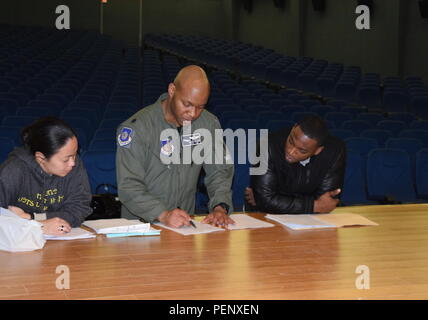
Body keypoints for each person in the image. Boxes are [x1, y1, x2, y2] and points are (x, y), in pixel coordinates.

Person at [116, 65, 234, 228]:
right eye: (187, 104)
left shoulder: (208, 124)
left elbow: (220, 171)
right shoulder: (138, 128)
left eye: (200, 107)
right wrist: (162, 214)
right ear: (172, 90)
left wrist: (220, 207)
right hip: (141, 225)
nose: (193, 114)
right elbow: (129, 185)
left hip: (184, 225)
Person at [0, 117, 92, 235]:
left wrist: (32, 218)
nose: (73, 163)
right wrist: (40, 227)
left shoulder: (74, 165)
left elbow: (79, 209)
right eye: (66, 159)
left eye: (74, 155)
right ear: (40, 158)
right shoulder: (13, 170)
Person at [246, 115, 346, 214]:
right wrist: (313, 205)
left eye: (302, 151)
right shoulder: (267, 146)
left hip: (311, 218)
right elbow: (264, 201)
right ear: (293, 128)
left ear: (317, 150)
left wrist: (274, 201)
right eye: (291, 141)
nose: (291, 151)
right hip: (267, 216)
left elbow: (326, 202)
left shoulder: (335, 152)